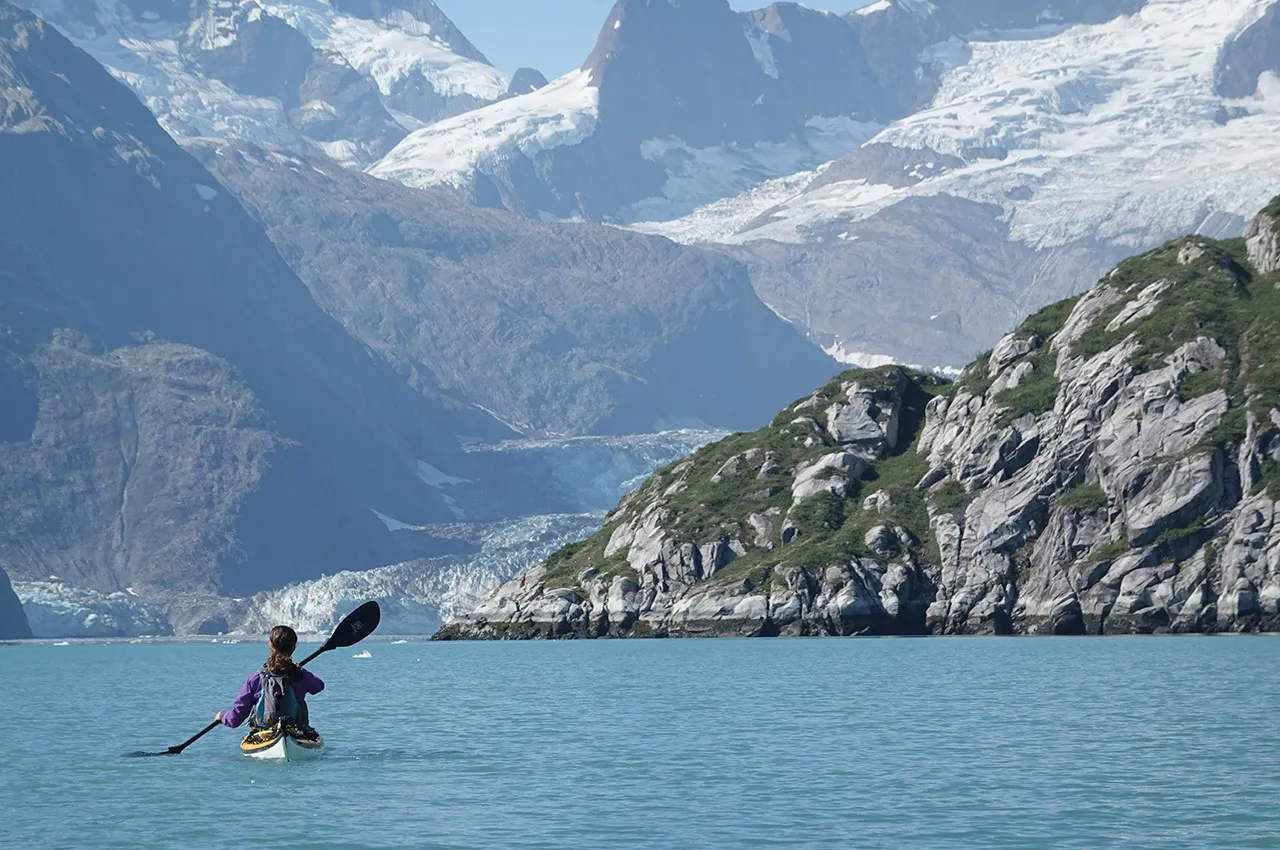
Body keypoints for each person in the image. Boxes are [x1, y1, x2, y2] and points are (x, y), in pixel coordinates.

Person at [216, 625, 325, 734]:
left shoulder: (256, 679)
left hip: (265, 734)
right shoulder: (300, 676)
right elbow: (319, 686)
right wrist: (299, 669)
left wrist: (222, 716)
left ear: (270, 645)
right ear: (294, 646)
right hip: (295, 731)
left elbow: (235, 719)